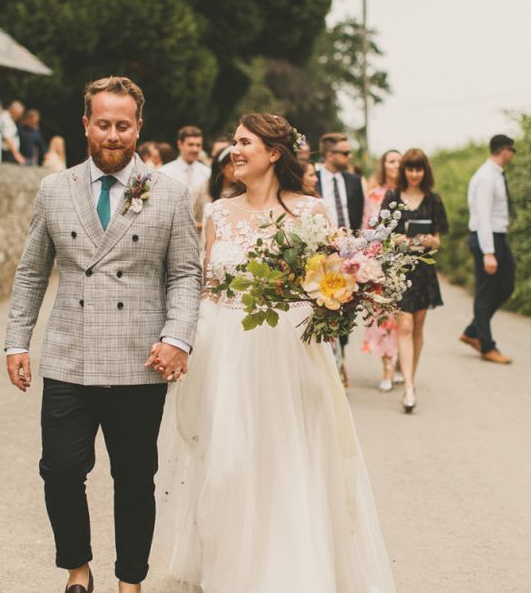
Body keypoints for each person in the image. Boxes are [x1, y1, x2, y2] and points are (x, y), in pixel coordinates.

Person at [154, 113, 395, 592]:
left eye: (245, 143)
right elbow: (205, 287)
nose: (234, 151)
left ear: (274, 153)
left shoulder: (311, 212)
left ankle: (291, 572)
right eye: (234, 144)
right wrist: (185, 340)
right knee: (228, 464)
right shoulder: (218, 214)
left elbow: (331, 282)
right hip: (225, 355)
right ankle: (231, 572)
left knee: (289, 458)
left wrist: (344, 297)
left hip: (289, 352)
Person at [4, 76, 201, 593]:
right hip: (70, 356)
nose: (112, 135)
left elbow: (185, 273)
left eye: (123, 125)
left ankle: (130, 581)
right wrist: (17, 341)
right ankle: (77, 569)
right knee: (61, 471)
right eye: (103, 124)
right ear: (85, 124)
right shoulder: (54, 189)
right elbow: (30, 272)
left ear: (139, 127)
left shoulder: (171, 194)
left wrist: (177, 336)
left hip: (141, 361)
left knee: (135, 481)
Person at [382, 148, 449, 413]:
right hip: (400, 270)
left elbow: (437, 240)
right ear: (403, 171)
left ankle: (410, 376)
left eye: (418, 168)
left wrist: (430, 241)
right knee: (405, 326)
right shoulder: (392, 197)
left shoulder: (434, 200)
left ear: (425, 171)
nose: (414, 173)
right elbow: (383, 235)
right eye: (409, 168)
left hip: (424, 270)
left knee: (418, 326)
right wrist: (401, 240)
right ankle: (409, 387)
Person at [460, 134, 517, 364]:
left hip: (498, 236)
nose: (513, 155)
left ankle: (473, 331)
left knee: (506, 286)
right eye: (513, 150)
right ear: (505, 150)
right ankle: (486, 345)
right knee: (486, 292)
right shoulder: (486, 177)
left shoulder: (495, 175)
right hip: (487, 238)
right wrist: (489, 252)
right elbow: (482, 216)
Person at [315, 133, 365, 381]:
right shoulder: (313, 179)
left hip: (349, 253)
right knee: (323, 304)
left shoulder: (354, 181)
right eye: (345, 153)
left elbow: (358, 216)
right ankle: (325, 359)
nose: (349, 157)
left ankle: (340, 354)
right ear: (330, 155)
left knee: (346, 305)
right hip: (320, 253)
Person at [362, 149, 402, 391]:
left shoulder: (409, 195)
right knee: (382, 315)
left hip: (405, 261)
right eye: (391, 161)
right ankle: (387, 366)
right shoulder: (374, 195)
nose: (396, 165)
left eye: (399, 161)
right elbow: (367, 227)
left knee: (403, 318)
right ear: (384, 165)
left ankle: (400, 363)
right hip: (380, 260)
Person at [159, 126, 211, 192]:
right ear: (179, 144)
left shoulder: (207, 173)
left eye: (198, 145)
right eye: (190, 145)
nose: (195, 149)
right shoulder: (165, 172)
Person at [0, 100, 25, 164]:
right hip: (6, 153)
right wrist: (17, 155)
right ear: (13, 110)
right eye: (19, 113)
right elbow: (7, 137)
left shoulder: (6, 117)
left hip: (8, 152)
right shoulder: (6, 119)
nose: (20, 116)